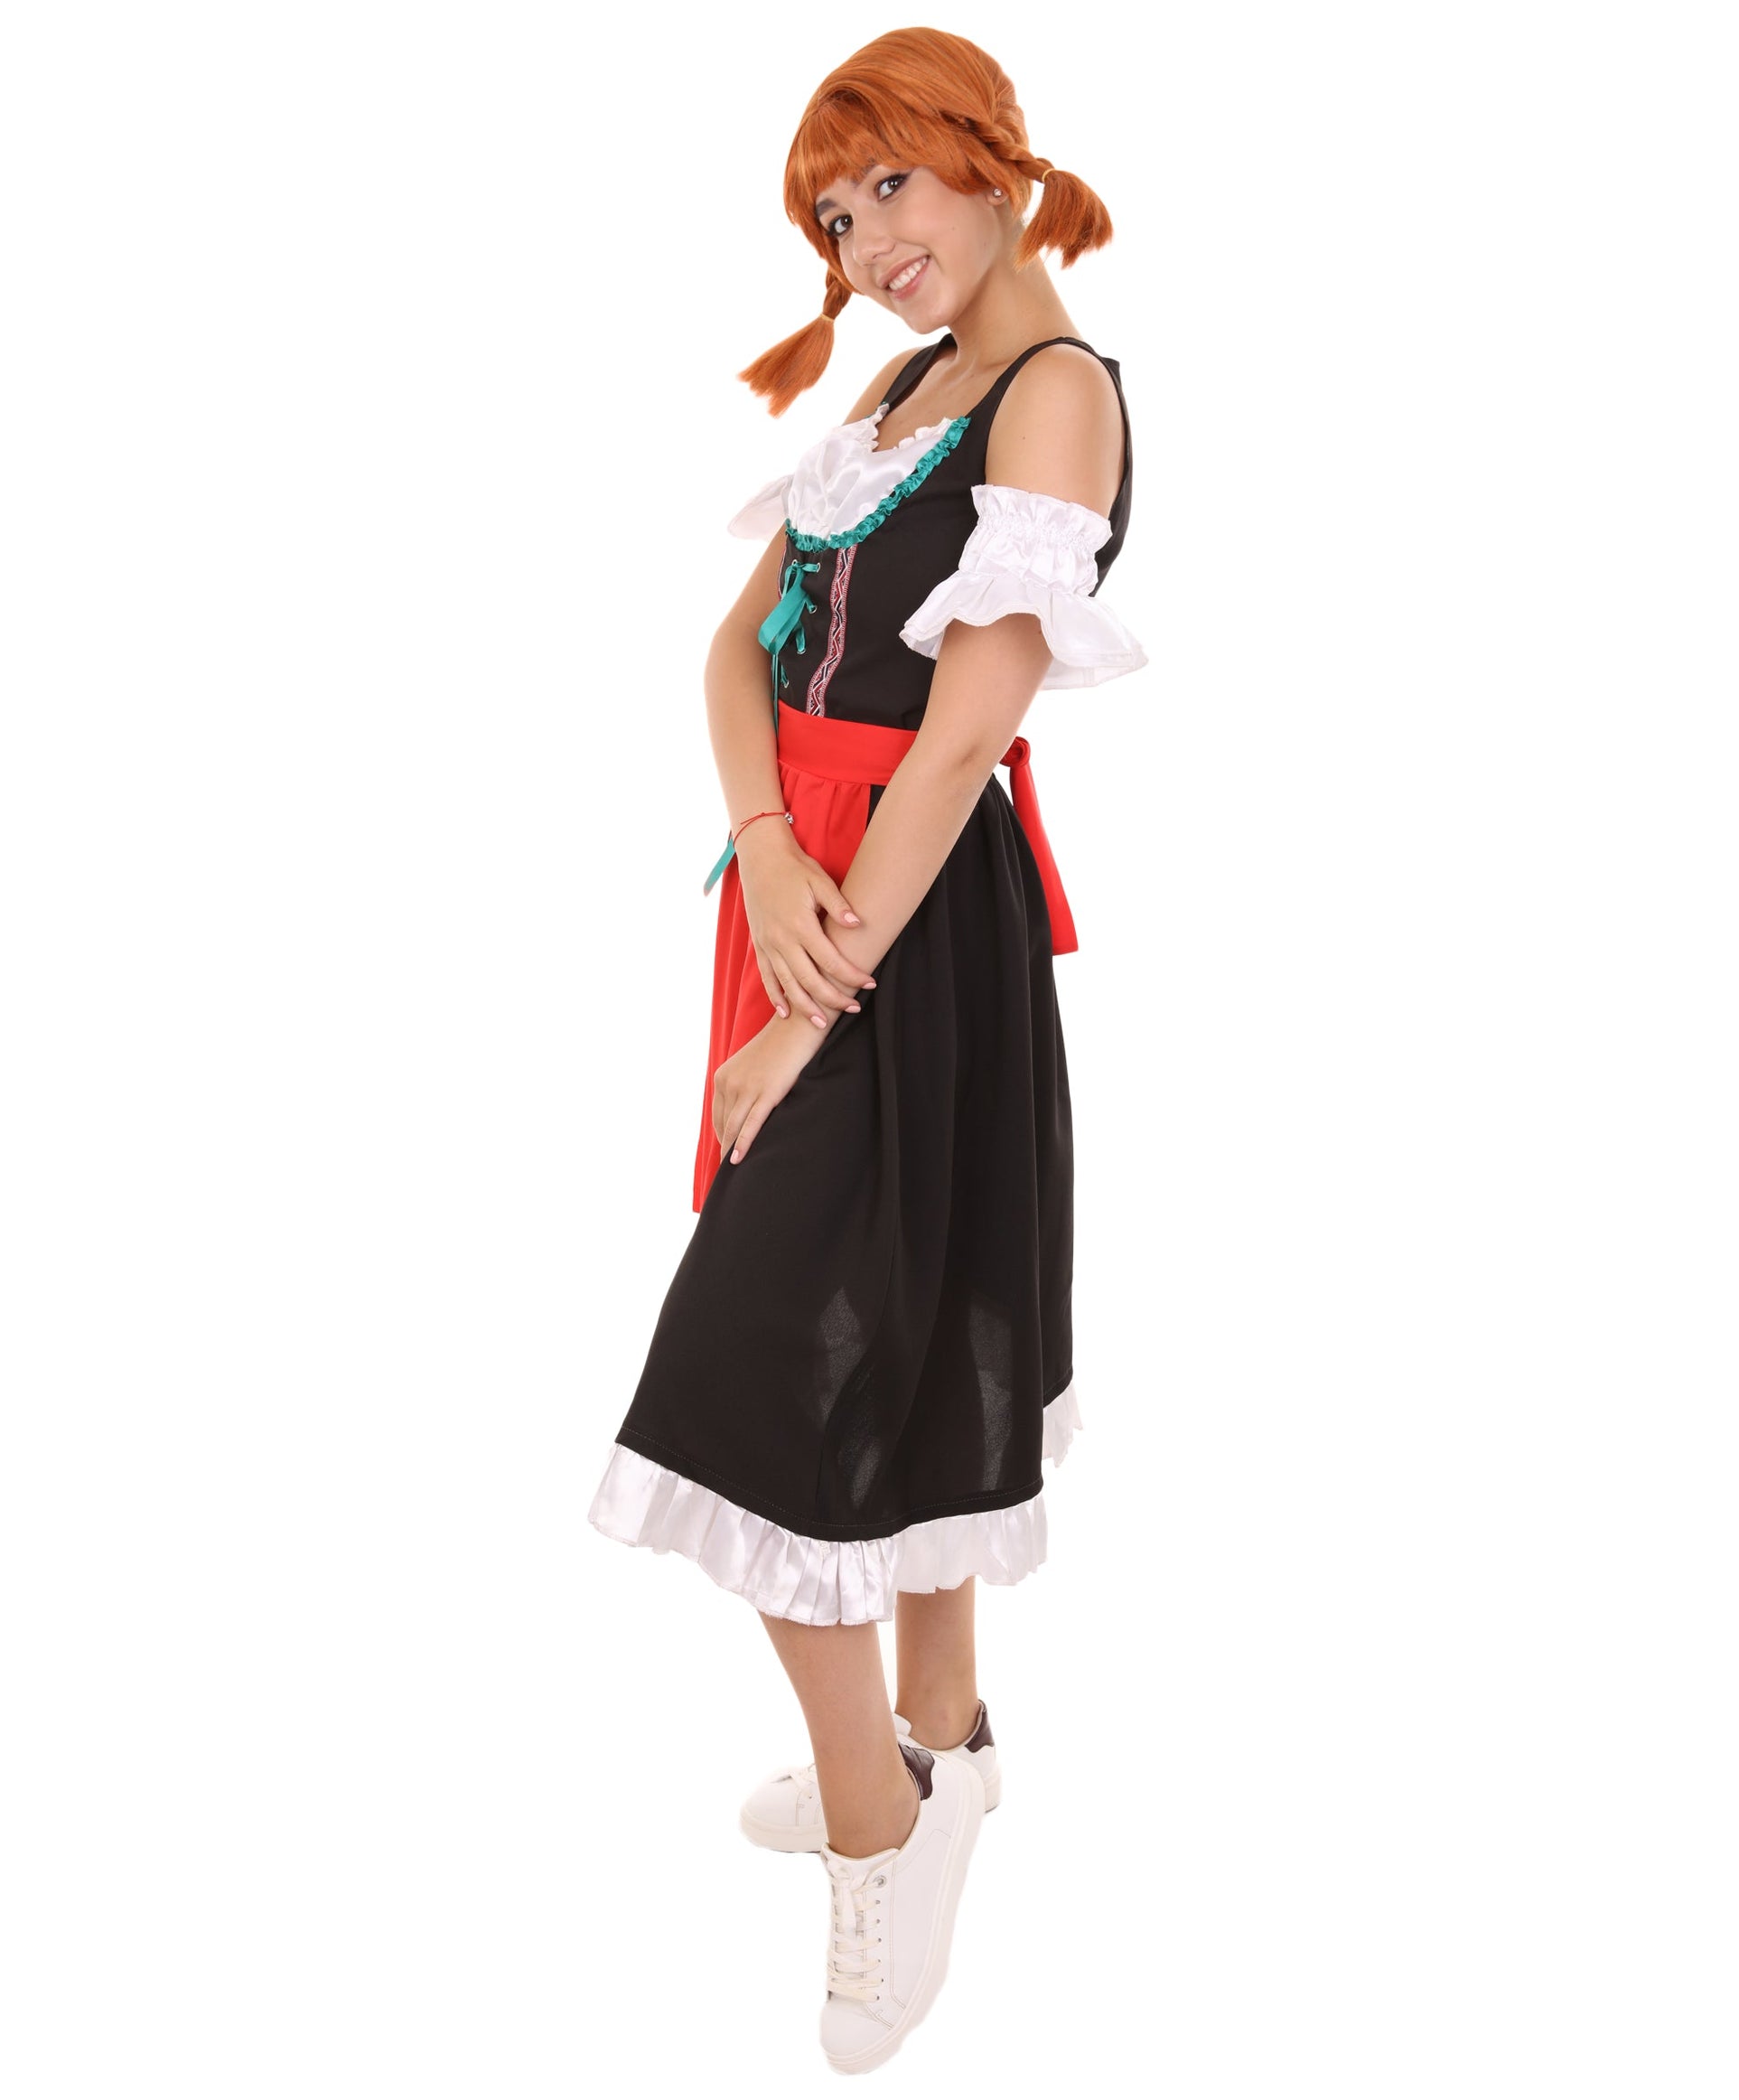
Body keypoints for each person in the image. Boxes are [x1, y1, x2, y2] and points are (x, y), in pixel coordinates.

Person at [587, 27, 1145, 2074]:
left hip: (902, 921)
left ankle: (878, 1827)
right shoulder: (895, 397)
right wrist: (757, 846)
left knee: (741, 1379)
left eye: (888, 185)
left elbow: (963, 733)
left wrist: (803, 1009)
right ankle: (946, 1739)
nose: (863, 242)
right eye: (833, 217)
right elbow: (733, 649)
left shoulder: (1054, 394)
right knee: (890, 1326)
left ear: (987, 158)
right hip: (804, 882)